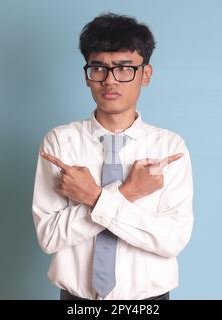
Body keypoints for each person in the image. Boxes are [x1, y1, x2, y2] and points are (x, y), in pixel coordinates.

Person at [32, 12, 194, 300]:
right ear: (87, 76)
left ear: (145, 74)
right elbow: (49, 237)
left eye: (123, 68)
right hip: (77, 301)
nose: (110, 80)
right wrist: (129, 192)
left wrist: (93, 197)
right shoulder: (60, 143)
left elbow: (171, 240)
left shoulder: (170, 149)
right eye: (99, 68)